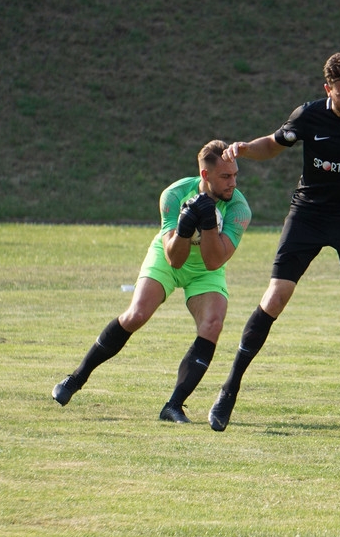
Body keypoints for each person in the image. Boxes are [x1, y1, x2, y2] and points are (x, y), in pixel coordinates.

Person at [207, 49, 340, 432]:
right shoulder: (309, 116)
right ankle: (229, 389)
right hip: (309, 214)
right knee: (276, 297)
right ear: (328, 90)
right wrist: (245, 149)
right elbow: (273, 144)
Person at [51, 140, 252, 423]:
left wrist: (208, 222)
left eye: (235, 175)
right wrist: (185, 226)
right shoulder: (174, 195)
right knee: (136, 314)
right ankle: (76, 378)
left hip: (206, 268)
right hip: (168, 257)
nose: (233, 183)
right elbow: (174, 259)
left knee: (213, 324)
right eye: (225, 176)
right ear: (205, 175)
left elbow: (213, 262)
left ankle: (173, 406)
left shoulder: (239, 209)